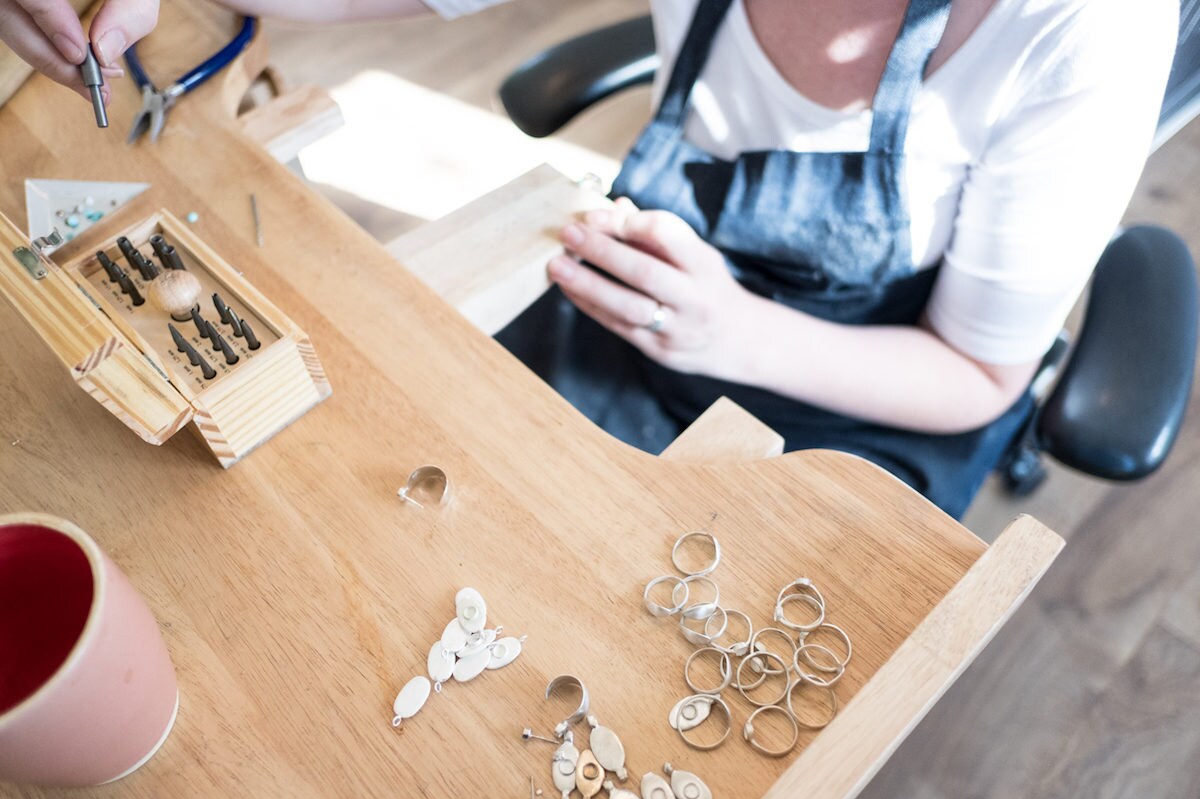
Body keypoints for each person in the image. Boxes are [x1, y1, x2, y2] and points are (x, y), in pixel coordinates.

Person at [1, 0, 1179, 517]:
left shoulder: (1082, 25)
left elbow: (978, 371)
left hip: (870, 393)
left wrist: (734, 333)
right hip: (639, 293)